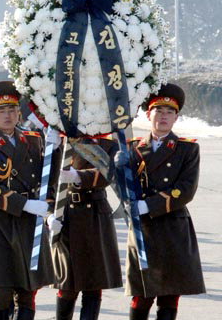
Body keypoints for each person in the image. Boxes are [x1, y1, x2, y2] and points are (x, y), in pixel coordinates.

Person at [0, 81, 61, 320]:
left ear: (19, 112)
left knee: (27, 290)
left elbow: (50, 177)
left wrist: (57, 148)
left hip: (29, 225)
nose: (7, 116)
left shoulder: (34, 140)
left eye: (12, 110)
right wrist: (25, 204)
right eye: (1, 111)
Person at [120, 83, 205, 320]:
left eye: (169, 112)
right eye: (159, 111)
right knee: (141, 293)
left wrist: (149, 205)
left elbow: (186, 190)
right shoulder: (131, 148)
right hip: (143, 230)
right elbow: (122, 187)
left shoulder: (187, 149)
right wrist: (115, 167)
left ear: (176, 117)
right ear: (149, 115)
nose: (164, 116)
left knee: (170, 294)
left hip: (173, 227)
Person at [51, 136, 123, 319]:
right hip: (64, 213)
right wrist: (49, 214)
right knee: (66, 284)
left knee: (93, 284)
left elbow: (108, 173)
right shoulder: (58, 140)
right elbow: (43, 179)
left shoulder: (106, 143)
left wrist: (78, 176)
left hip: (94, 215)